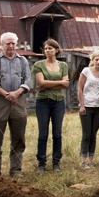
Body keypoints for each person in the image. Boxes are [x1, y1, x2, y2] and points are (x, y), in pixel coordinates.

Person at [0, 32, 31, 177]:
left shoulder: (23, 61)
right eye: (7, 43)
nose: (10, 46)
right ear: (2, 44)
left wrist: (16, 93)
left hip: (18, 103)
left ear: (17, 45)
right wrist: (6, 94)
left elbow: (28, 81)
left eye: (13, 43)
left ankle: (16, 170)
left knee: (18, 139)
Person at [31, 39, 69, 173]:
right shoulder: (38, 64)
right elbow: (40, 82)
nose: (47, 51)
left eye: (50, 48)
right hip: (43, 102)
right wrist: (59, 83)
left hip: (58, 102)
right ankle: (41, 162)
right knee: (43, 133)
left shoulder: (63, 65)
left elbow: (66, 84)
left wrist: (47, 84)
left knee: (57, 133)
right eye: (46, 48)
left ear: (56, 50)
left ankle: (56, 162)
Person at [78, 50, 99, 169]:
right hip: (87, 106)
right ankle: (83, 160)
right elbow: (80, 88)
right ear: (93, 60)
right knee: (86, 134)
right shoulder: (86, 71)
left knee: (93, 134)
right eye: (97, 59)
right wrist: (81, 105)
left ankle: (91, 160)